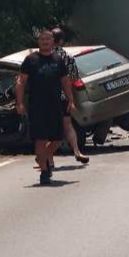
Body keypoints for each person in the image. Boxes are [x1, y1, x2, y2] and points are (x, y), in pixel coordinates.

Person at [15, 29, 75, 185]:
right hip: (36, 105)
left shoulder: (58, 60)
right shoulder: (31, 60)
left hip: (55, 104)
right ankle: (44, 171)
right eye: (42, 39)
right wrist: (20, 103)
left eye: (48, 39)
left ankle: (42, 157)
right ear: (38, 42)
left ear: (53, 42)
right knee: (40, 138)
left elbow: (65, 81)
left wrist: (71, 100)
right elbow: (21, 82)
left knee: (57, 137)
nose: (45, 42)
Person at [51, 27, 89, 164]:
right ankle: (76, 151)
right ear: (62, 41)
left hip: (47, 97)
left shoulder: (44, 55)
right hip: (64, 97)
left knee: (49, 127)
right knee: (68, 125)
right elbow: (74, 78)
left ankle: (49, 159)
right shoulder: (68, 57)